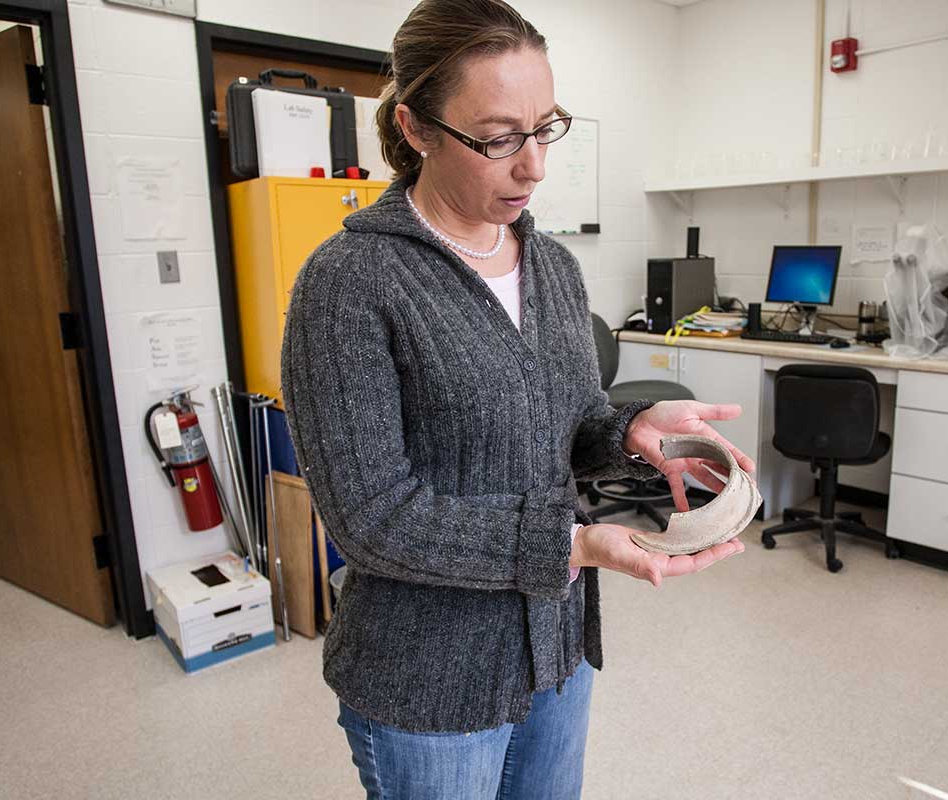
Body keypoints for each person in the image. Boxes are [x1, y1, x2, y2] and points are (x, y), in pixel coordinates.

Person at [280, 1, 756, 797]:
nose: (533, 166)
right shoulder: (350, 284)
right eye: (499, 138)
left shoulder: (555, 269)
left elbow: (565, 429)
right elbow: (370, 519)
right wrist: (571, 546)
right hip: (429, 683)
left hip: (556, 650)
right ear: (418, 128)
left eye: (546, 129)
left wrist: (630, 428)